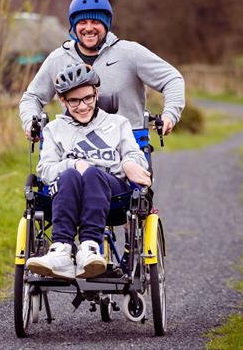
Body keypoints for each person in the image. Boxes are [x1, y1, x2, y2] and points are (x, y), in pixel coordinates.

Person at [25, 63, 151, 280]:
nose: (82, 106)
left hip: (113, 194)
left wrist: (129, 163)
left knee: (92, 173)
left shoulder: (118, 123)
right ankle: (61, 251)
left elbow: (136, 155)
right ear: (62, 101)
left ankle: (89, 248)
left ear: (96, 93)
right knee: (71, 174)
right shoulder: (53, 130)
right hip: (67, 190)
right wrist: (73, 165)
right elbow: (45, 170)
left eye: (88, 98)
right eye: (73, 100)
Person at [19, 0, 185, 140]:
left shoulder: (130, 52)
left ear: (106, 24)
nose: (89, 28)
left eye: (95, 22)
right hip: (75, 146)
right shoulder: (58, 58)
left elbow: (172, 79)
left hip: (128, 143)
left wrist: (169, 115)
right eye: (82, 22)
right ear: (74, 26)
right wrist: (31, 123)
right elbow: (32, 97)